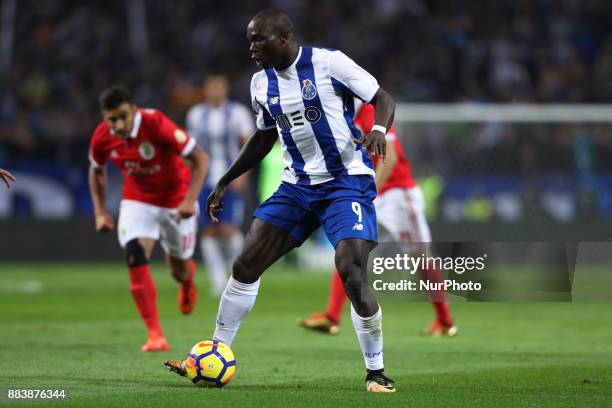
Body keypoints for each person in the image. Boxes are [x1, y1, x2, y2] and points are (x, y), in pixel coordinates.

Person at [165, 9, 396, 393]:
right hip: (297, 186)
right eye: (250, 40)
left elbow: (383, 98)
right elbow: (263, 135)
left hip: (346, 182)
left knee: (352, 270)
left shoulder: (329, 62)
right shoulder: (260, 84)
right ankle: (213, 351)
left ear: (285, 38)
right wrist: (226, 178)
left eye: (259, 39)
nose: (252, 47)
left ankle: (376, 371)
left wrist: (375, 129)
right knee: (245, 262)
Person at [299, 103, 457, 336]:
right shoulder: (345, 116)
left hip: (398, 195)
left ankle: (445, 321)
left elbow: (390, 158)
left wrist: (370, 193)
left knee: (421, 258)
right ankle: (331, 316)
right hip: (378, 194)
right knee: (350, 247)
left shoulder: (371, 112)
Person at [89, 85, 209, 352]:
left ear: (133, 110)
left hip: (176, 200)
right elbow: (96, 169)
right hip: (138, 200)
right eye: (112, 119)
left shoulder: (155, 124)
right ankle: (155, 335)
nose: (118, 124)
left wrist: (190, 199)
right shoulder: (101, 137)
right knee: (134, 254)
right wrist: (99, 211)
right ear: (104, 118)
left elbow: (200, 157)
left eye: (122, 116)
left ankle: (187, 281)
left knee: (177, 269)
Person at [186, 75, 255, 296]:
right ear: (206, 90)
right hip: (205, 179)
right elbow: (191, 149)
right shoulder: (196, 114)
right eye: (211, 87)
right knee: (208, 231)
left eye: (219, 87)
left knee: (229, 229)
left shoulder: (238, 113)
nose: (215, 91)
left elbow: (249, 145)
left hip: (230, 177)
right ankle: (218, 281)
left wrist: (243, 175)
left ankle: (240, 277)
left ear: (225, 90)